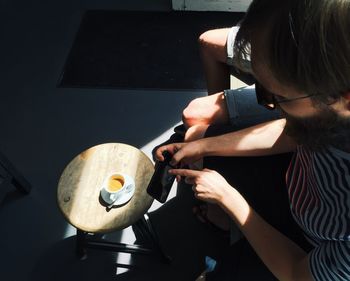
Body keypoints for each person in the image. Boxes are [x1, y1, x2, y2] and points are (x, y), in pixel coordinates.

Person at [156, 0, 350, 280]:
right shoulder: (322, 110)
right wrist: (202, 144)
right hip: (302, 182)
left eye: (276, 96)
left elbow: (296, 273)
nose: (266, 105)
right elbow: (295, 131)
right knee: (195, 133)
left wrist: (230, 200)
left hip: (308, 244)